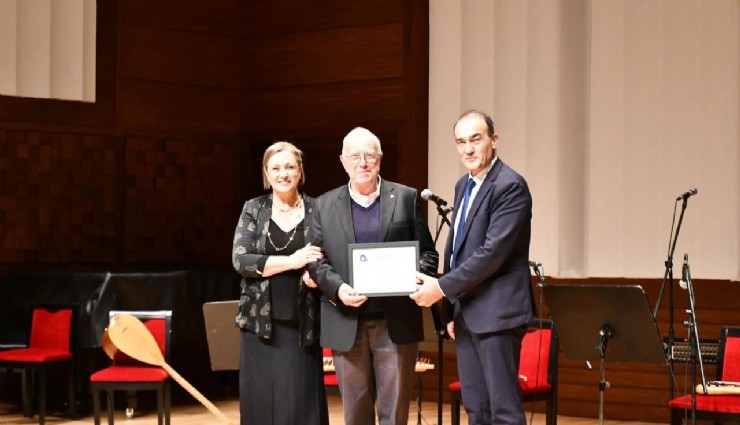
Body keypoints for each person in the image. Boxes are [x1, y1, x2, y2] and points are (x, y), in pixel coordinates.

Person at [307, 127, 439, 425]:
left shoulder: (406, 198)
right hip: (345, 323)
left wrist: (413, 277)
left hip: (395, 324)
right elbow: (316, 261)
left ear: (380, 158)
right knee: (355, 415)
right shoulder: (323, 205)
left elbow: (429, 255)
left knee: (395, 415)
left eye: (369, 155)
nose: (362, 162)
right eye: (355, 156)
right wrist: (338, 289)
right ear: (343, 161)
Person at [411, 110, 534, 424]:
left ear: (494, 140)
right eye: (460, 142)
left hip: (498, 315)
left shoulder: (510, 186)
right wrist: (452, 308)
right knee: (477, 409)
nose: (467, 149)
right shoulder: (462, 185)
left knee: (503, 412)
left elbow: (492, 253)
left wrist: (440, 288)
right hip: (468, 315)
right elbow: (457, 253)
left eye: (475, 139)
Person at [231, 141, 328, 425]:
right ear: (266, 173)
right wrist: (293, 261)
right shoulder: (253, 209)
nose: (283, 173)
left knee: (301, 407)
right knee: (260, 406)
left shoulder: (318, 209)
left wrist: (316, 275)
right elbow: (241, 260)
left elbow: (329, 256)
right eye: (276, 168)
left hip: (303, 325)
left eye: (289, 167)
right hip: (259, 328)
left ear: (300, 171)